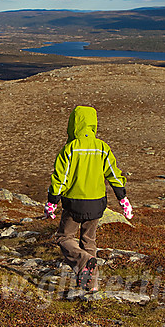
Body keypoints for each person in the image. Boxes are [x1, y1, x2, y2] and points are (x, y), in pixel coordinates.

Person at [45, 105, 132, 292]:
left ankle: (84, 260)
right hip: (97, 204)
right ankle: (91, 286)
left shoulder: (70, 149)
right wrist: (123, 199)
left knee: (63, 237)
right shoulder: (102, 148)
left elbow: (61, 178)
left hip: (74, 203)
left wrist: (52, 202)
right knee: (89, 241)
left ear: (74, 124)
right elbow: (114, 175)